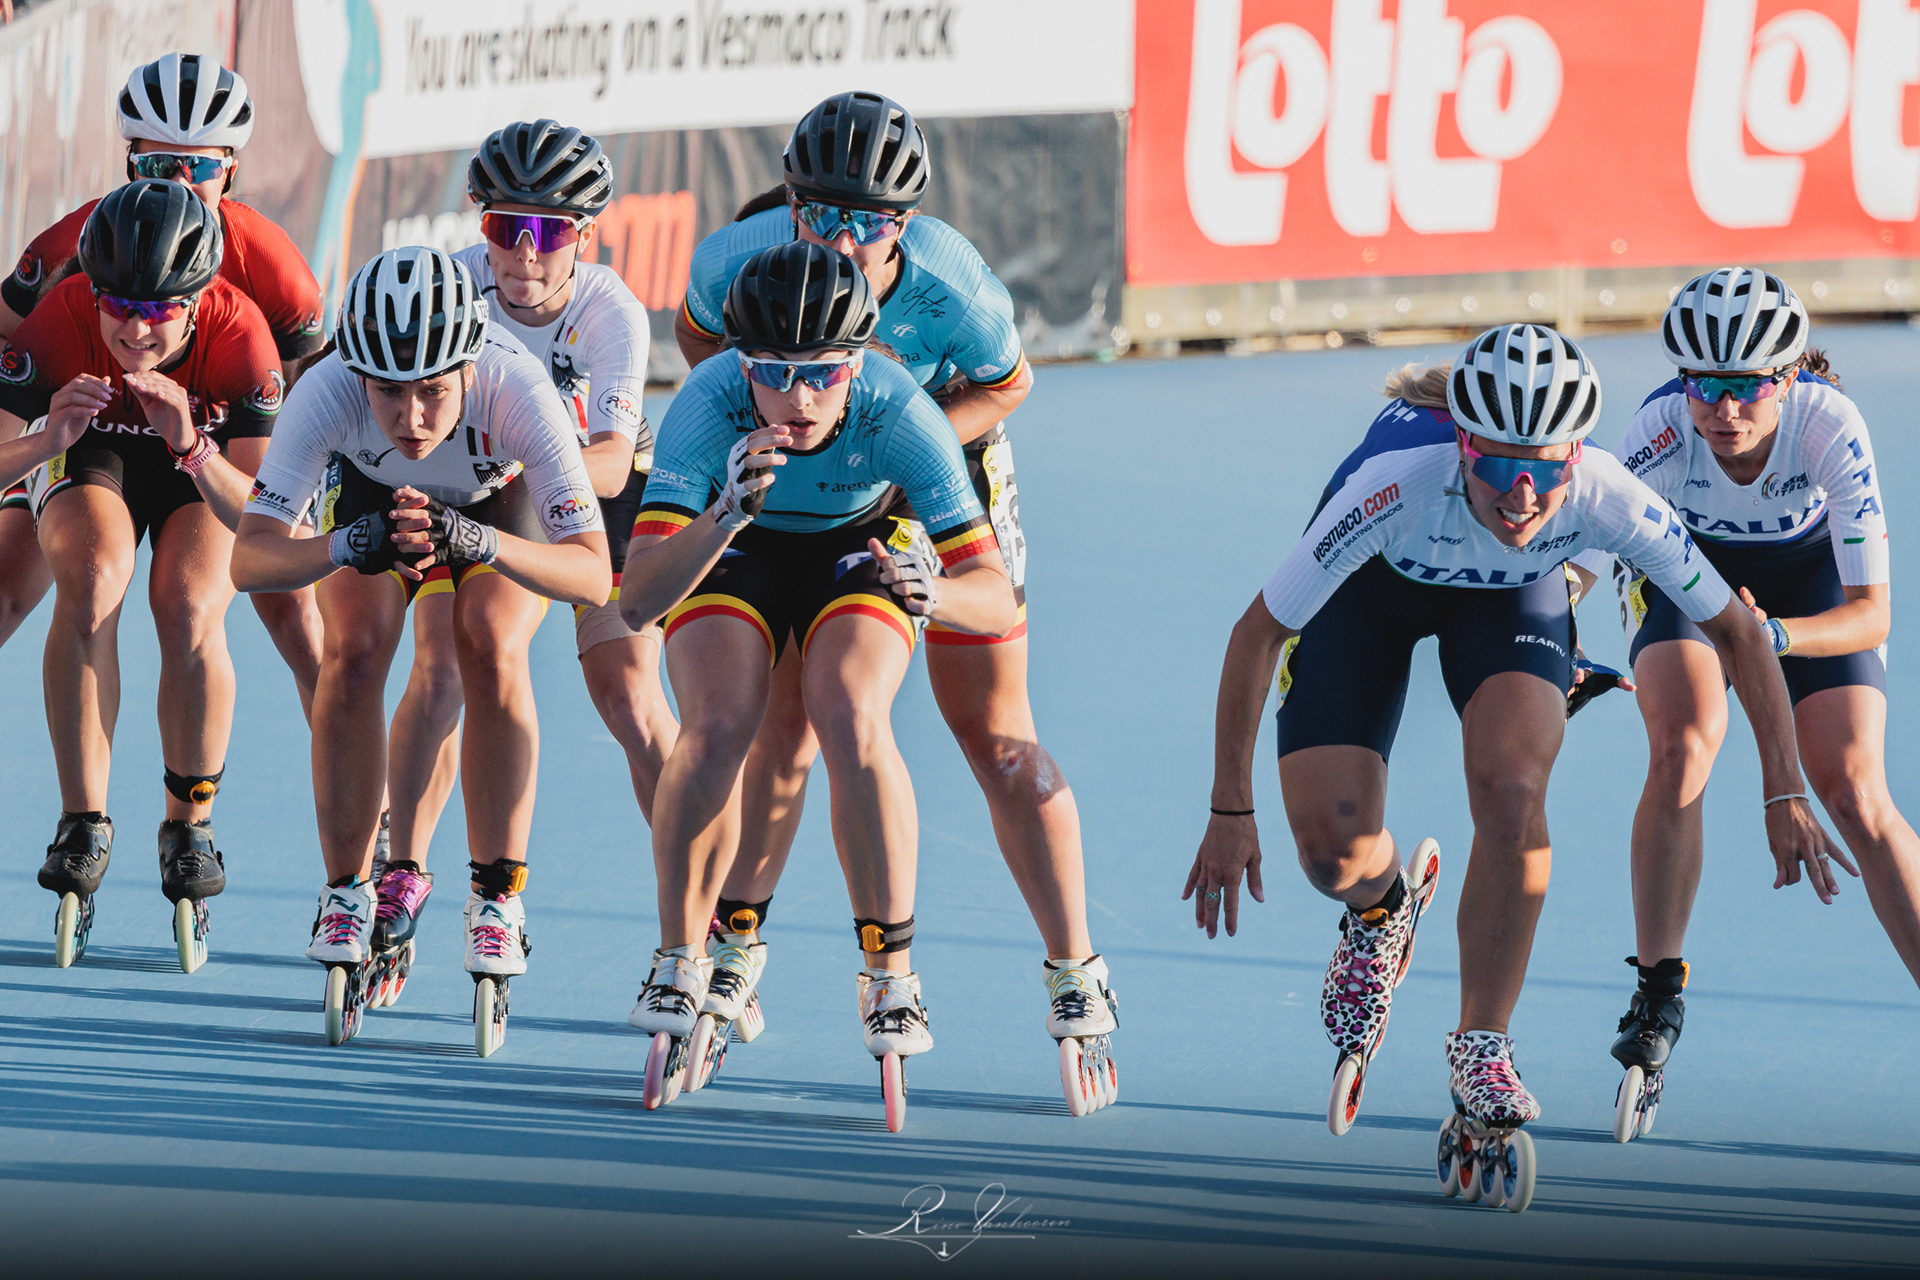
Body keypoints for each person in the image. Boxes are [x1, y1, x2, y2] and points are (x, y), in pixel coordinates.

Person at [1186, 323, 1842, 1210]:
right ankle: (1381, 911)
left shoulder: (1606, 494)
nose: (1523, 493)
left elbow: (1736, 629)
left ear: (1577, 454)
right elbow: (1257, 632)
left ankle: (1483, 1043)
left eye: (1545, 468)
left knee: (1513, 787)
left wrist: (1784, 784)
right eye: (1497, 465)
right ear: (1464, 445)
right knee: (1332, 856)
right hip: (1372, 590)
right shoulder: (1393, 484)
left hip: (1509, 599)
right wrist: (1231, 809)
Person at [674, 91, 1117, 1106]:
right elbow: (708, 357)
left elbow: (1008, 386)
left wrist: (900, 445)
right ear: (790, 204)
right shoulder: (733, 262)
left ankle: (1076, 965)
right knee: (794, 720)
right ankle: (736, 941)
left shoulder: (956, 286)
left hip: (926, 473)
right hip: (807, 474)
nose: (843, 238)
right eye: (822, 213)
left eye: (870, 222)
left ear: (905, 224)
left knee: (998, 738)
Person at [621, 241, 1015, 1121]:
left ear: (860, 361)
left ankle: (891, 974)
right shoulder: (705, 405)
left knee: (851, 712)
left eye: (825, 374)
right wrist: (724, 513)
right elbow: (639, 599)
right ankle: (679, 955)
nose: (799, 399)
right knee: (717, 723)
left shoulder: (902, 410)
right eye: (774, 372)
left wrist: (937, 591)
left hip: (858, 545)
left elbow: (995, 598)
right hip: (741, 541)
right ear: (740, 365)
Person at [229, 246, 609, 1048]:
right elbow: (250, 561)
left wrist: (478, 541)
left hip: (494, 501)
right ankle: (346, 890)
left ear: (469, 368)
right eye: (389, 392)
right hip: (373, 499)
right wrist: (345, 543)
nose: (410, 418)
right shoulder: (328, 388)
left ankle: (498, 896)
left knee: (491, 644)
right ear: (356, 374)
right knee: (353, 652)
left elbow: (591, 574)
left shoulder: (517, 389)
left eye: (433, 392)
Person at [1589, 268, 1920, 1141]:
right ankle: (1657, 993)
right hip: (1685, 575)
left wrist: (1769, 637)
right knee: (1684, 745)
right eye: (1705, 386)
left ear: (1788, 379)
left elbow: (1872, 613)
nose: (1724, 410)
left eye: (1747, 388)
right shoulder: (1659, 430)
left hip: (1807, 586)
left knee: (1855, 789)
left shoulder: (1829, 425)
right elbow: (1582, 554)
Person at [371, 119, 675, 964]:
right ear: (483, 225)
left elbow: (607, 462)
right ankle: (408, 869)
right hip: (487, 482)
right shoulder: (453, 287)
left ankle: (713, 919)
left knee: (630, 696)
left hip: (596, 484)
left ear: (586, 235)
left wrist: (534, 451)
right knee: (456, 656)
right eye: (507, 227)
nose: (526, 254)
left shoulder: (609, 310)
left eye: (550, 232)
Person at [0, 181, 285, 971]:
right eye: (117, 305)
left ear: (197, 301)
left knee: (190, 605)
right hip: (91, 450)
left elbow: (264, 513)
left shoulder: (243, 339)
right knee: (92, 579)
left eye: (157, 311)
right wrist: (44, 439)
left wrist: (191, 445)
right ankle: (82, 821)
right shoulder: (59, 319)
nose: (132, 329)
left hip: (200, 463)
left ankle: (190, 825)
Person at [0, 53, 325, 721]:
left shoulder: (277, 274)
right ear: (130, 165)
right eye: (157, 164)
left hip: (213, 440)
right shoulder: (72, 244)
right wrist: (32, 433)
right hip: (87, 431)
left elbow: (313, 398)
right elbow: (7, 336)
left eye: (199, 167)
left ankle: (364, 769)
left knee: (292, 614)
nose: (180, 180)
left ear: (230, 169)